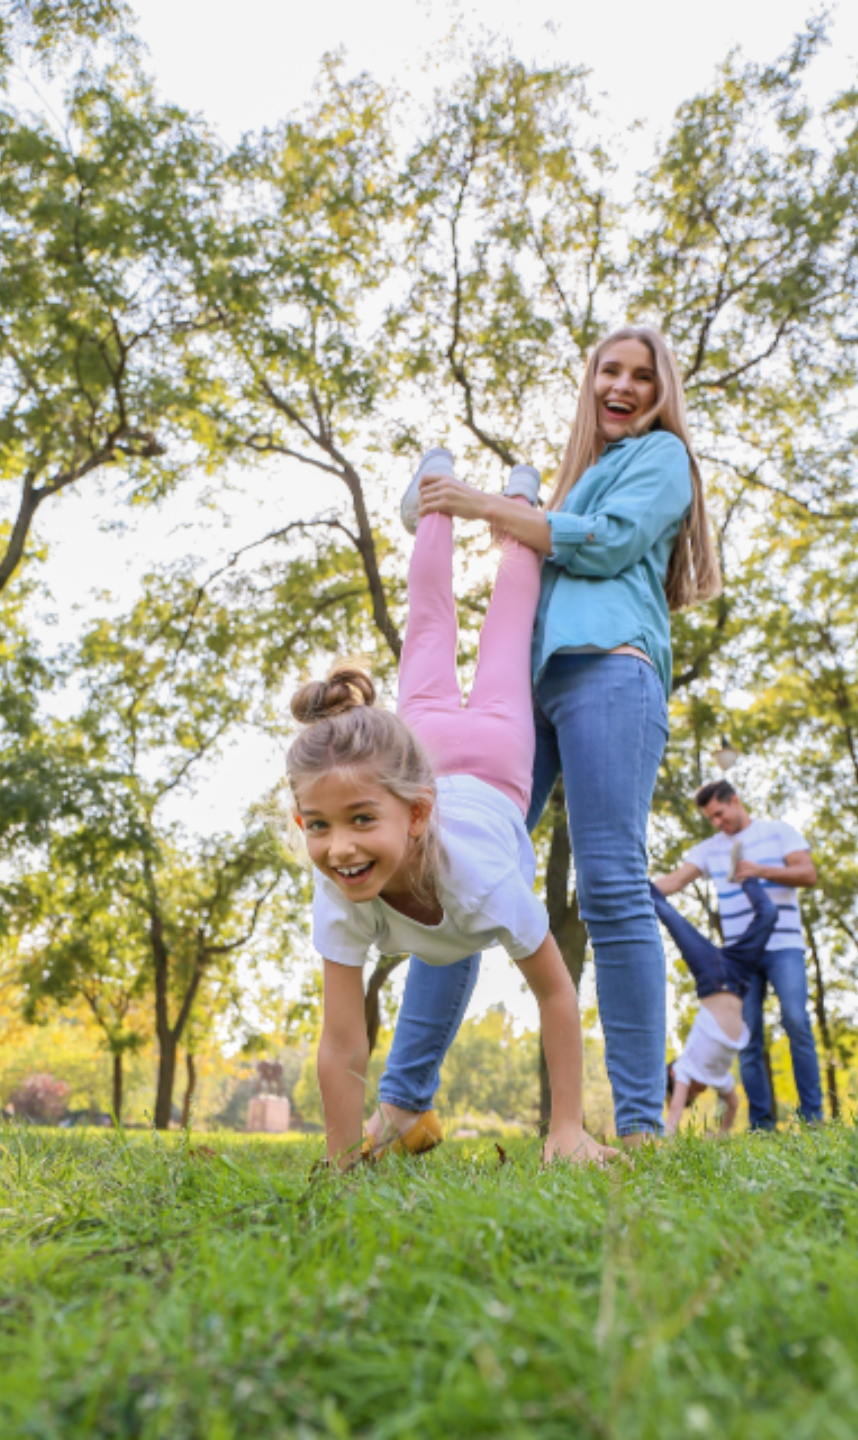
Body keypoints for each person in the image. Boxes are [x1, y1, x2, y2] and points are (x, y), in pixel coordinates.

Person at [364, 325, 721, 1153]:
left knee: (609, 885)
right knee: (451, 869)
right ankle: (405, 1105)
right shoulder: (583, 474)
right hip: (535, 689)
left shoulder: (664, 459)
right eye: (610, 371)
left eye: (642, 376)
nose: (623, 386)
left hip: (610, 672)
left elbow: (613, 544)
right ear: (590, 381)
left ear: (662, 392)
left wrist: (489, 506)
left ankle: (639, 1125)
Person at [286, 452, 615, 1168]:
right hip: (439, 745)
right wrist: (341, 1164)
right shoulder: (339, 886)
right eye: (319, 826)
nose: (340, 848)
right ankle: (468, 494)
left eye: (360, 821)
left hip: (490, 757)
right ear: (301, 823)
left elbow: (557, 997)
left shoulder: (483, 883)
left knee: (471, 624)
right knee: (467, 622)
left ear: (415, 815)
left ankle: (469, 495)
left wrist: (566, 1131)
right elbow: (341, 1039)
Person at [653, 779, 824, 1129]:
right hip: (740, 958)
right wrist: (632, 886)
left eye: (719, 814)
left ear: (734, 801)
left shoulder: (778, 832)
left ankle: (813, 1118)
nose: (716, 822)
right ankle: (761, 1124)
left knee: (795, 1019)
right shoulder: (709, 849)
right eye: (710, 818)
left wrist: (760, 871)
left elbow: (808, 873)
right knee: (747, 1039)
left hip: (783, 945)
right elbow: (674, 881)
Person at [650, 879, 777, 1136]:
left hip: (712, 976)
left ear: (674, 1077)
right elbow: (733, 1104)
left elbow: (674, 1112)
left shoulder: (685, 1068)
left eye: (692, 1093)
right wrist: (721, 1134)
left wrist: (665, 1144)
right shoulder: (718, 1078)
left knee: (664, 912)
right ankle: (747, 878)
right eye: (695, 1096)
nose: (699, 1091)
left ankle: (632, 875)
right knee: (770, 914)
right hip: (740, 976)